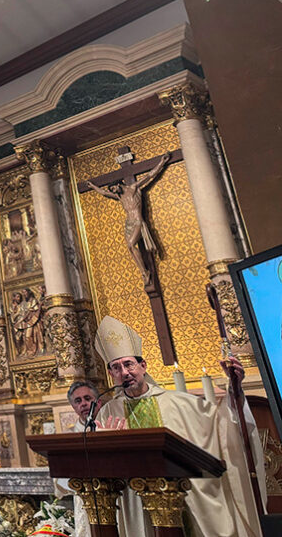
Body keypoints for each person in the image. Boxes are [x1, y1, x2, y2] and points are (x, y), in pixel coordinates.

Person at [93, 316, 265, 536]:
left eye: (128, 364)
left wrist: (235, 391)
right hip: (135, 502)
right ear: (110, 375)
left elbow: (222, 428)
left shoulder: (179, 403)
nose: (124, 372)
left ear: (143, 366)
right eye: (116, 368)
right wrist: (106, 443)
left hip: (182, 496)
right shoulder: (109, 411)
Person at [86, 153, 169, 285]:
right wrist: (93, 187)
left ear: (120, 183)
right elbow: (104, 193)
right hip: (129, 223)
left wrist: (161, 163)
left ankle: (144, 272)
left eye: (114, 187)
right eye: (112, 189)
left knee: (131, 244)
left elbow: (150, 176)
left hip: (138, 221)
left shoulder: (133, 188)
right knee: (130, 247)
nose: (114, 190)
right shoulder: (119, 197)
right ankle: (143, 272)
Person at [53, 380, 102, 537]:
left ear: (98, 402)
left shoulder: (112, 427)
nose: (84, 404)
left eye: (88, 399)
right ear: (74, 407)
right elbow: (59, 478)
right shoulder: (69, 439)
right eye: (78, 401)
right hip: (85, 502)